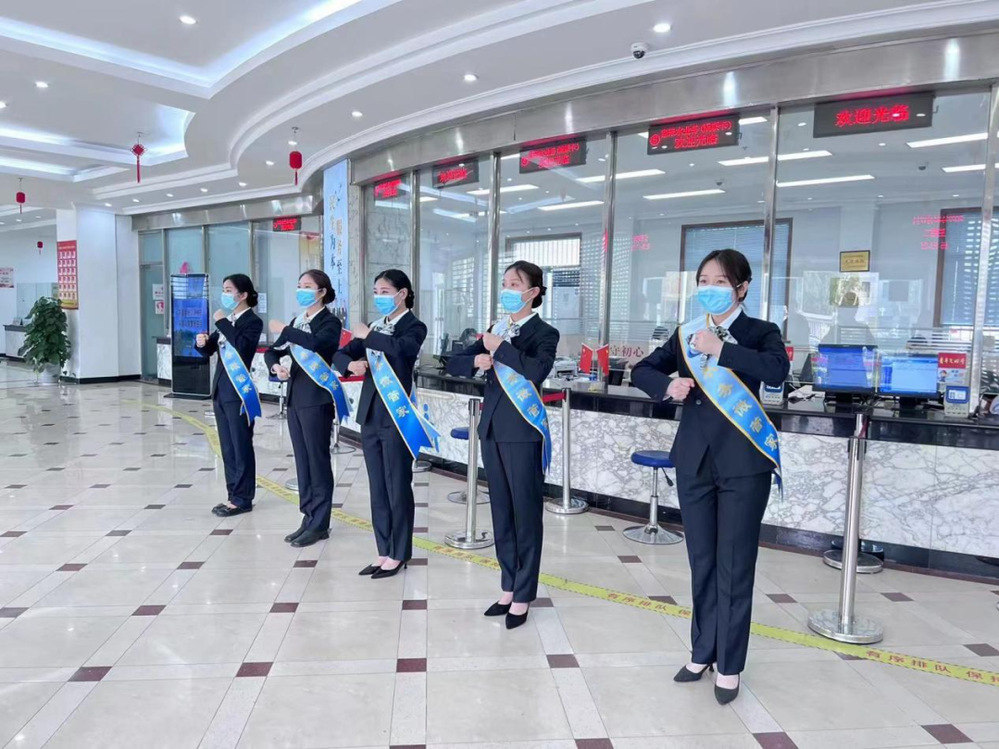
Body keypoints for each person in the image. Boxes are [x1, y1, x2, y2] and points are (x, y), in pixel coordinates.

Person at [631, 248, 789, 705]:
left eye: (720, 281)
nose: (710, 289)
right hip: (694, 460)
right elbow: (642, 369)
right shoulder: (686, 334)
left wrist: (722, 349)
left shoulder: (761, 332)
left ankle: (730, 663)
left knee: (734, 565)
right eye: (704, 281)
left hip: (743, 464)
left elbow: (777, 371)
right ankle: (702, 651)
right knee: (701, 560)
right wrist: (667, 385)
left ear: (742, 287)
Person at [446, 260, 559, 630]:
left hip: (523, 432)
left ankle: (524, 594)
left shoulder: (545, 332)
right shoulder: (496, 328)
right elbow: (455, 362)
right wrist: (477, 359)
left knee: (525, 514)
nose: (507, 290)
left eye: (515, 284)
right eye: (505, 283)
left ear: (533, 292)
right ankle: (508, 586)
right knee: (502, 514)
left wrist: (500, 348)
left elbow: (537, 370)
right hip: (492, 429)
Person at [333, 269, 428, 579]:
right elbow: (339, 354)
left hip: (397, 416)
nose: (379, 297)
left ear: (403, 294)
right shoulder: (374, 327)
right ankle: (383, 549)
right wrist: (350, 363)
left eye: (385, 291)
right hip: (371, 414)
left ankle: (399, 552)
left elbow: (401, 349)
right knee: (377, 486)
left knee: (397, 484)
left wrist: (368, 336)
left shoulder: (414, 326)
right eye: (376, 291)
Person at [265, 269, 343, 548]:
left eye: (307, 286)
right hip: (295, 398)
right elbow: (274, 351)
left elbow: (316, 344)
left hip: (317, 400)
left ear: (322, 292)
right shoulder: (298, 321)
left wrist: (285, 330)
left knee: (317, 461)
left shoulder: (330, 322)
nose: (301, 290)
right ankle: (308, 516)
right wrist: (276, 366)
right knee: (302, 460)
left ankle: (320, 523)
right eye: (299, 285)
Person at [195, 274, 264, 517]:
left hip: (238, 393)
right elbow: (211, 349)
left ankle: (243, 498)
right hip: (221, 391)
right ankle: (233, 494)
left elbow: (241, 347)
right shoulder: (229, 320)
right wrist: (202, 343)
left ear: (242, 295)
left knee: (241, 445)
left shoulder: (252, 322)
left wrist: (222, 322)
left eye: (228, 290)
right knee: (227, 447)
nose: (224, 294)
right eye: (223, 289)